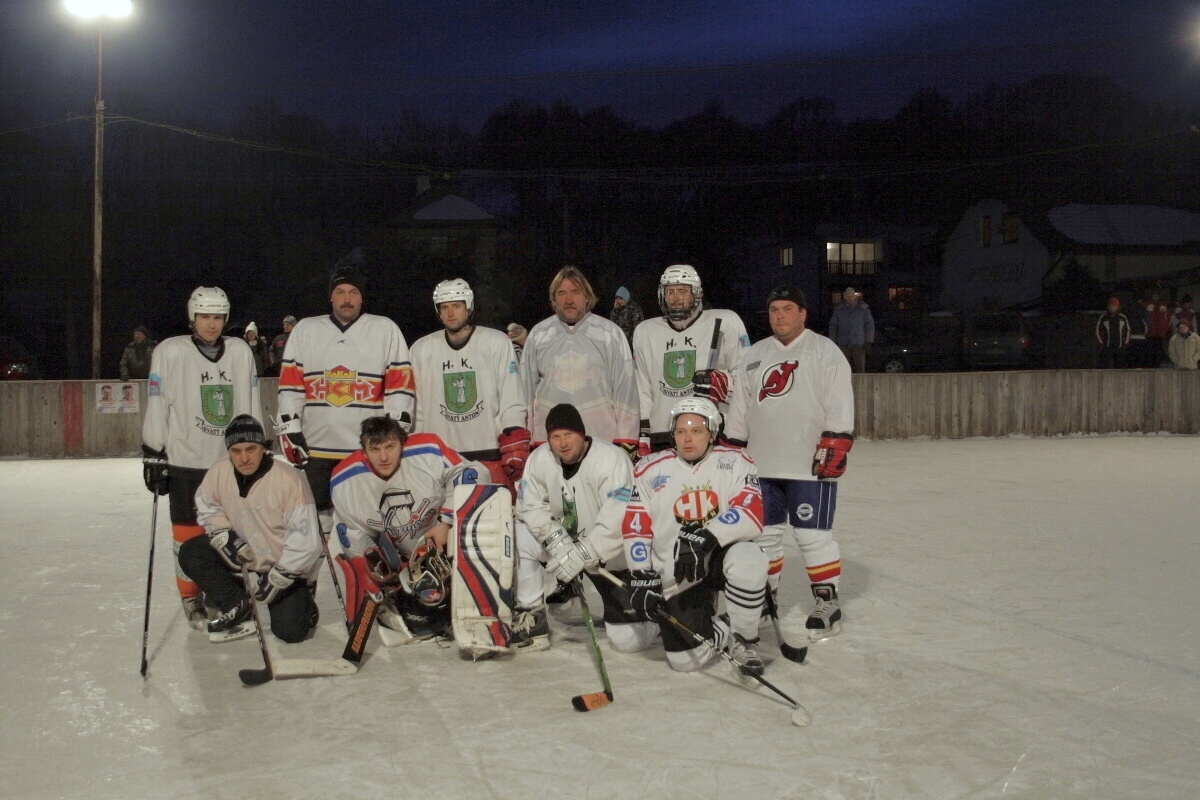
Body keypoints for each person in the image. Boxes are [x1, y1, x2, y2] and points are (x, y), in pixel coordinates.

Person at [724, 285, 854, 640]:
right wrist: (732, 448)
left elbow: (840, 401)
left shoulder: (825, 351)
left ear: (802, 313)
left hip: (808, 465)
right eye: (774, 310)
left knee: (813, 536)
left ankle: (827, 601)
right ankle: (764, 602)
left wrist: (838, 437)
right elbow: (740, 408)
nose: (779, 316)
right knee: (764, 538)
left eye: (787, 309)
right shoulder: (755, 354)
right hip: (760, 465)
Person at [620, 397, 768, 677]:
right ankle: (724, 623)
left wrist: (707, 536)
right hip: (679, 571)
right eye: (681, 431)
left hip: (718, 559)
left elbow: (751, 513)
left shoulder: (736, 462)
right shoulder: (649, 468)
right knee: (684, 661)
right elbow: (636, 527)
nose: (688, 439)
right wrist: (641, 573)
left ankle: (744, 639)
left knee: (749, 557)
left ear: (712, 433)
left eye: (697, 431)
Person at [141, 286, 262, 629]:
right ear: (192, 318)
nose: (211, 323)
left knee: (229, 533)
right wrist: (153, 451)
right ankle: (189, 596)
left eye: (218, 317)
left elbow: (251, 402)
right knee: (187, 533)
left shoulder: (239, 351)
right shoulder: (170, 351)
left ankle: (220, 592)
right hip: (185, 462)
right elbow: (158, 403)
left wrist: (256, 448)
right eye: (205, 316)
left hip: (228, 464)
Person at [276, 266, 416, 531]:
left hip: (365, 450)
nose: (347, 299)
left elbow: (400, 387)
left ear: (362, 297)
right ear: (330, 296)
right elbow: (291, 386)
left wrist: (395, 432)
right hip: (316, 447)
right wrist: (290, 428)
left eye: (353, 292)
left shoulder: (384, 329)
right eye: (340, 292)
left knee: (368, 520)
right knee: (317, 521)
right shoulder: (306, 329)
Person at [329, 415, 485, 641]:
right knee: (427, 620)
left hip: (448, 536)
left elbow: (473, 474)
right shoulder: (344, 481)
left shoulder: (427, 449)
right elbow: (356, 545)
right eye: (375, 449)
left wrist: (446, 523)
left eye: (390, 447)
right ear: (364, 451)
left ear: (402, 443)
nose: (384, 457)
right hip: (407, 556)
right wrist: (377, 582)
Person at [513, 403, 653, 652]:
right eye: (555, 437)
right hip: (565, 546)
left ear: (582, 433)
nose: (562, 443)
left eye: (568, 434)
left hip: (609, 557)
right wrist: (556, 540)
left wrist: (586, 552)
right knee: (521, 531)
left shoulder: (610, 459)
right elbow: (529, 506)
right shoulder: (540, 458)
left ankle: (654, 621)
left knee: (628, 642)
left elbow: (619, 516)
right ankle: (531, 615)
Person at [178, 415, 322, 642]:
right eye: (236, 451)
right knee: (191, 552)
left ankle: (304, 603)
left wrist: (280, 575)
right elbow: (207, 505)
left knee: (291, 633)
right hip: (243, 552)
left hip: (279, 561)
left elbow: (307, 542)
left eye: (251, 449)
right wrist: (224, 535)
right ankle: (237, 603)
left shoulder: (290, 479)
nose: (244, 458)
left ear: (263, 447)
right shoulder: (219, 470)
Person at [410, 279, 530, 488]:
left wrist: (514, 435)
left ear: (469, 307)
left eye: (456, 306)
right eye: (444, 307)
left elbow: (510, 395)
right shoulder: (421, 349)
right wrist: (416, 447)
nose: (450, 313)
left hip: (489, 452)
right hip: (440, 458)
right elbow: (418, 407)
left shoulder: (495, 342)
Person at [631, 264, 750, 453]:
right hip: (663, 432)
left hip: (710, 429)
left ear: (698, 293)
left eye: (683, 291)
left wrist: (726, 384)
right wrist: (644, 433)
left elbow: (748, 377)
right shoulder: (645, 331)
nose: (676, 298)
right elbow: (642, 387)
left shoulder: (726, 321)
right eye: (670, 292)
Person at [522, 266, 639, 452]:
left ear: (587, 297)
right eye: (561, 293)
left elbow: (626, 390)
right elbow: (526, 391)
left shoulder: (609, 333)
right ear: (553, 300)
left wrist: (626, 440)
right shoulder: (539, 335)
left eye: (575, 292)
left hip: (601, 443)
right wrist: (524, 441)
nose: (568, 300)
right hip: (548, 445)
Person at [827, 286, 874, 373]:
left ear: (855, 297)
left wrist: (868, 341)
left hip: (859, 344)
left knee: (860, 369)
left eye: (852, 296)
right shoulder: (839, 310)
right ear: (845, 297)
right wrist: (832, 341)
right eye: (848, 296)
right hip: (843, 343)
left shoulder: (863, 309)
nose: (850, 298)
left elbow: (869, 325)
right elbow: (833, 326)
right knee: (842, 369)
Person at [1095, 296, 1131, 369]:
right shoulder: (1103, 317)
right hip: (1107, 346)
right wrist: (1101, 343)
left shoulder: (1122, 317)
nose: (1111, 307)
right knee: (1104, 366)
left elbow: (1128, 330)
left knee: (1120, 367)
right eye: (1110, 305)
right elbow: (1097, 330)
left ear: (1117, 307)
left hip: (1119, 347)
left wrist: (1125, 343)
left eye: (1113, 305)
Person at [1144, 295, 1170, 367]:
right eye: (1154, 295)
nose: (1155, 297)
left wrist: (1164, 331)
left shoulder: (1163, 306)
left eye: (1157, 295)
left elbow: (1167, 319)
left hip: (1159, 335)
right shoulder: (1147, 305)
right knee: (1150, 355)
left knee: (1158, 355)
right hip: (1150, 334)